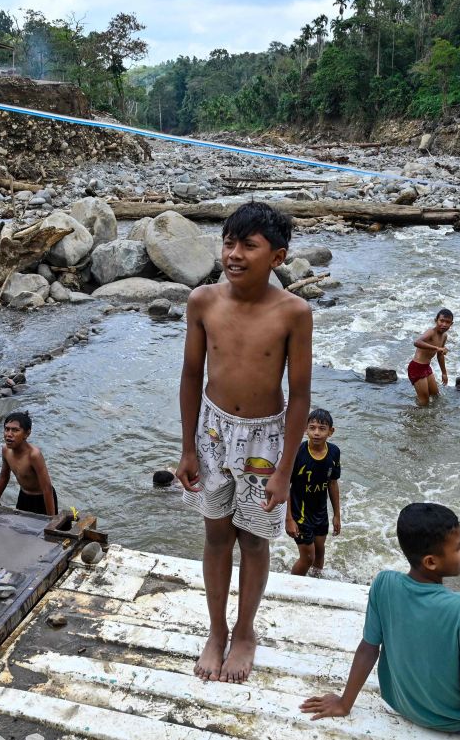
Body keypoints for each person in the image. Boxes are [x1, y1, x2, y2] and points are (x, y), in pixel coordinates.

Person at [177, 200, 313, 684]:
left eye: (248, 246)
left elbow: (299, 397)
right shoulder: (204, 301)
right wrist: (188, 447)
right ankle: (216, 631)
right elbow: (192, 375)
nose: (234, 254)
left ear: (277, 257)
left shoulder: (294, 312)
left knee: (255, 540)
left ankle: (245, 631)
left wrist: (285, 470)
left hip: (266, 438)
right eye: (228, 243)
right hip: (212, 433)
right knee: (216, 537)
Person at [301, 503, 460, 740]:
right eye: (458, 547)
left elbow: (368, 648)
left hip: (401, 703)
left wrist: (344, 703)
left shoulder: (383, 583)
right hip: (457, 721)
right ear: (431, 562)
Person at [287, 407, 341, 577]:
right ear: (305, 429)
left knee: (319, 553)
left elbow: (332, 483)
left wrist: (337, 514)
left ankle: (316, 583)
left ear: (330, 432)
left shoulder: (334, 452)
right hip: (300, 513)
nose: (316, 433)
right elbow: (285, 486)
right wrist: (288, 519)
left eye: (322, 429)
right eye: (312, 428)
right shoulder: (297, 453)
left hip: (320, 512)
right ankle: (292, 587)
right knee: (307, 558)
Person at [0, 412, 58, 516]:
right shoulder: (6, 450)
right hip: (23, 496)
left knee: (42, 529)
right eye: (7, 429)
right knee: (20, 529)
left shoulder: (34, 455)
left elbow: (47, 488)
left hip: (41, 499)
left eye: (15, 430)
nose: (9, 434)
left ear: (27, 434)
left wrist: (51, 519)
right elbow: (4, 477)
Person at [409, 308, 453, 407]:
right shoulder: (431, 332)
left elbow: (440, 355)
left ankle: (431, 419)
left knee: (435, 396)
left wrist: (444, 373)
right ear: (436, 320)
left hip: (426, 368)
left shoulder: (444, 336)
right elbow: (417, 342)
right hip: (416, 367)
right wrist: (437, 348)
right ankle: (414, 418)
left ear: (451, 324)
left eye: (448, 322)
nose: (444, 324)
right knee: (424, 402)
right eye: (442, 321)